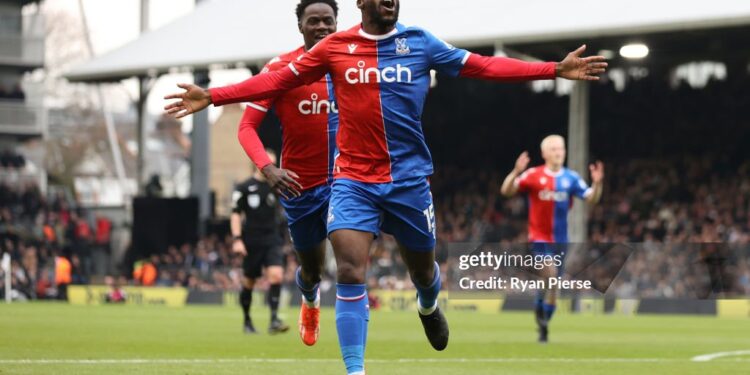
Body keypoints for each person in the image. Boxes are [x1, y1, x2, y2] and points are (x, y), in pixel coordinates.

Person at [164, 1, 607, 372]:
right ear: (361, 1)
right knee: (351, 271)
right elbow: (276, 80)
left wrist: (552, 69)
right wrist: (216, 95)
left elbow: (484, 65)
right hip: (352, 180)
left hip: (408, 181)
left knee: (423, 272)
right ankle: (355, 369)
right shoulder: (335, 48)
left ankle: (429, 305)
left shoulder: (420, 42)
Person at [234, 0, 339, 346]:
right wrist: (267, 168)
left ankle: (355, 361)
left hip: (347, 182)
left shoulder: (353, 65)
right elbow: (247, 126)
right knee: (313, 269)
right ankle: (309, 299)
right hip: (301, 188)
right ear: (300, 26)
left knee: (353, 265)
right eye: (314, 21)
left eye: (328, 20)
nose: (322, 27)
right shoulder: (280, 68)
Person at [500, 134, 604, 342]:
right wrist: (515, 172)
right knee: (551, 275)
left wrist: (598, 184)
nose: (559, 152)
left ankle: (543, 321)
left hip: (561, 241)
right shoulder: (533, 175)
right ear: (545, 153)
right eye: (554, 149)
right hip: (538, 238)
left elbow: (592, 198)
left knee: (552, 286)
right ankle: (542, 316)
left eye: (561, 149)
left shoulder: (571, 178)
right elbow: (506, 191)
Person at [231, 149, 289, 335]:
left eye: (273, 164)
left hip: (272, 238)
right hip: (251, 240)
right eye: (267, 163)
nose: (270, 167)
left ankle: (274, 319)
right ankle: (247, 320)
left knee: (277, 275)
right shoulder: (243, 188)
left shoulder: (277, 186)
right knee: (249, 281)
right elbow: (235, 215)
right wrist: (237, 240)